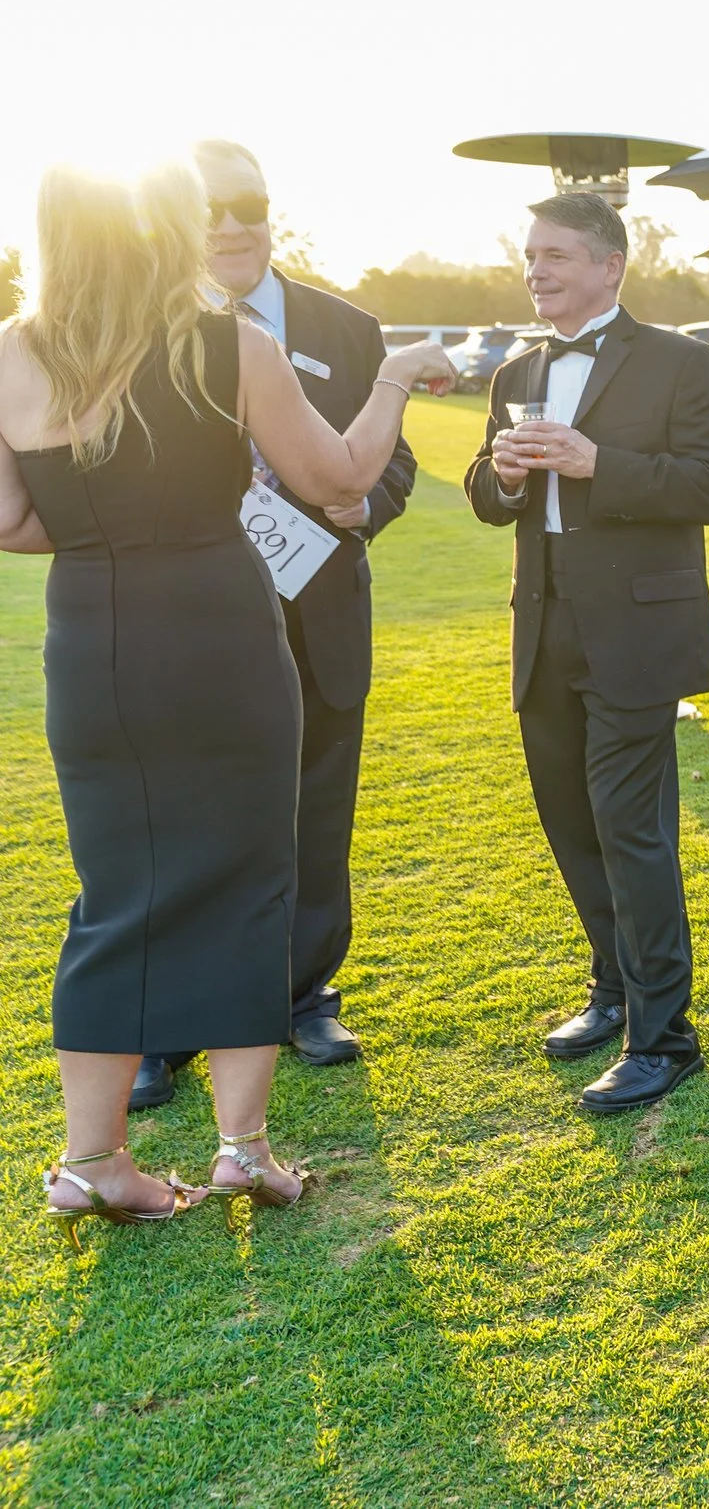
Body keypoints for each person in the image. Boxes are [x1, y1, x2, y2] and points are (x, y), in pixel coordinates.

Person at [0, 160, 448, 1244]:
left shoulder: (12, 351)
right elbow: (340, 481)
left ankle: (95, 1158)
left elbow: (12, 525)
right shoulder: (227, 343)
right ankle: (242, 1147)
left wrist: (114, 531)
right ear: (165, 233)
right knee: (255, 867)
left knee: (113, 888)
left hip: (95, 638)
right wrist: (388, 378)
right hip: (219, 629)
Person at [123, 140, 418, 1114]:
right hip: (191, 623)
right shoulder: (140, 330)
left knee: (314, 816)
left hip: (319, 615)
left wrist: (363, 507)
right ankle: (167, 1024)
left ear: (271, 209)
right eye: (209, 207)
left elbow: (395, 463)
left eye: (246, 202)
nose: (230, 224)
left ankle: (304, 993)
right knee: (184, 823)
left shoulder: (348, 325)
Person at [463, 192, 709, 1114]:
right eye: (530, 255)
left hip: (637, 634)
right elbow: (484, 487)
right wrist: (500, 476)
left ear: (610, 265)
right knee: (571, 822)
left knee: (632, 830)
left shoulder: (683, 361)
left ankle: (664, 1036)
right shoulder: (514, 370)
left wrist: (598, 465)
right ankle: (614, 988)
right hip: (542, 628)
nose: (536, 271)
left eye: (555, 255)